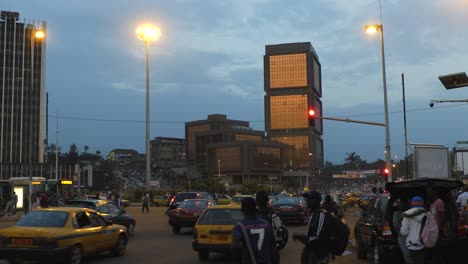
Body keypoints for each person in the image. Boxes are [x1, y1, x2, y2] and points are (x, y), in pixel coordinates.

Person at [232, 197, 274, 264]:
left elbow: (235, 247)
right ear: (255, 208)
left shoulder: (239, 227)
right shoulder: (267, 224)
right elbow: (272, 246)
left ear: (242, 210)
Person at [294, 190, 332, 264]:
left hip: (319, 256)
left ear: (315, 200)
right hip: (313, 254)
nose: (307, 201)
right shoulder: (314, 214)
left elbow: (316, 239)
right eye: (307, 199)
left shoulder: (320, 215)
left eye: (309, 199)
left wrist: (300, 237)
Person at [256, 190, 286, 264]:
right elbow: (283, 232)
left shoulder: (253, 216)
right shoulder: (273, 215)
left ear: (256, 202)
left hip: (256, 253)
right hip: (271, 252)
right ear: (267, 201)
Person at [400, 196, 427, 264]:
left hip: (412, 245)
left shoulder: (407, 215)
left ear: (412, 204)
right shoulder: (426, 214)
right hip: (424, 244)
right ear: (422, 203)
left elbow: (403, 232)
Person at [426, 189, 445, 264]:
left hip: (436, 229)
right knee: (432, 247)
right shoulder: (431, 203)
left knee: (436, 248)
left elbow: (443, 216)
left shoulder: (439, 202)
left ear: (434, 193)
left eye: (429, 194)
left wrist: (439, 227)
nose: (428, 196)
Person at [393, 199, 413, 264]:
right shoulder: (397, 214)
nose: (403, 205)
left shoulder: (411, 213)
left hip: (412, 236)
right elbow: (396, 226)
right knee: (407, 254)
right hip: (402, 236)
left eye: (404, 203)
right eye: (401, 203)